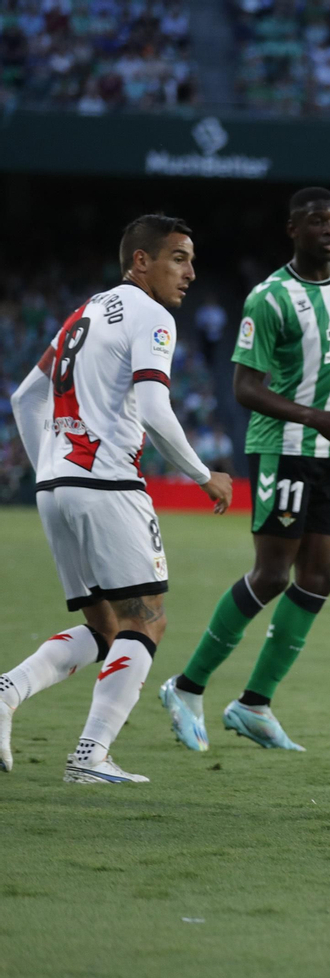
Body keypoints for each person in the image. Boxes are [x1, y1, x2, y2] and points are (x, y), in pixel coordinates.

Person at [159, 187, 330, 753]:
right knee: (271, 575)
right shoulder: (269, 298)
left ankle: (254, 704)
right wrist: (318, 417)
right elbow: (245, 388)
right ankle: (185, 687)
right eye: (317, 221)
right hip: (283, 447)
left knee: (320, 577)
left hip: (327, 451)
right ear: (293, 229)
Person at [0, 214, 232, 783]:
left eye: (192, 261)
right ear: (140, 261)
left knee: (107, 629)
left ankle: (6, 692)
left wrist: (49, 468)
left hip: (57, 488)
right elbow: (153, 409)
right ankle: (92, 756)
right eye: (178, 258)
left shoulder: (84, 313)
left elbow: (24, 398)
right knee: (145, 621)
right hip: (107, 483)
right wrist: (203, 474)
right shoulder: (152, 316)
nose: (190, 273)